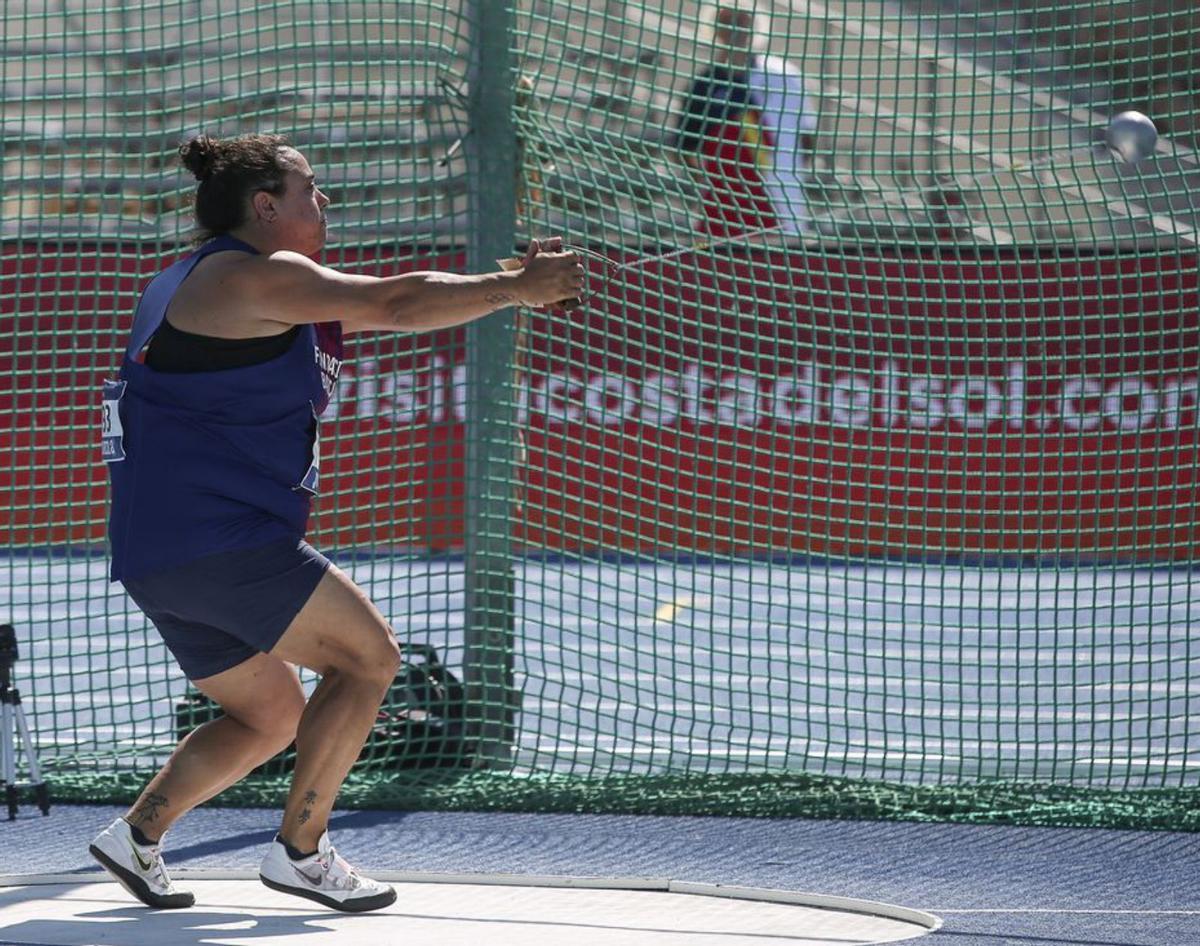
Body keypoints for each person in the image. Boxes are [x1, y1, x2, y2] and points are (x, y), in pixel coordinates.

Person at [89, 132, 583, 913]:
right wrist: (516, 287)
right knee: (367, 660)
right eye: (308, 188)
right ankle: (302, 853)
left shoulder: (191, 278)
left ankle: (137, 837)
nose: (324, 201)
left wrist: (514, 286)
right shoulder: (255, 275)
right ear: (264, 207)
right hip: (222, 539)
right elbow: (394, 301)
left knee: (271, 713)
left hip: (158, 553)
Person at [673, 1, 819, 242]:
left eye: (742, 21)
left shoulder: (784, 77)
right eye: (727, 22)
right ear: (715, 29)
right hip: (723, 210)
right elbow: (684, 147)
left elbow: (807, 140)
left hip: (780, 205)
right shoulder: (703, 85)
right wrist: (715, 183)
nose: (735, 29)